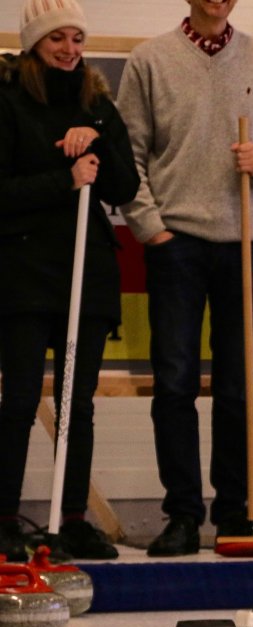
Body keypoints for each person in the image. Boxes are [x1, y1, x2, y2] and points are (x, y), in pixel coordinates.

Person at [117, 0, 253, 556]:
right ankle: (182, 514)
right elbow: (128, 154)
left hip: (245, 240)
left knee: (237, 383)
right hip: (175, 241)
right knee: (174, 380)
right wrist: (151, 228)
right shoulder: (149, 60)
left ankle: (235, 514)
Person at [0, 0, 139, 563]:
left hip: (86, 273)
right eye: (57, 37)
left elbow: (124, 187)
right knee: (18, 400)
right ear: (34, 42)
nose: (69, 49)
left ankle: (73, 518)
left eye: (77, 38)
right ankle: (5, 520)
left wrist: (97, 143)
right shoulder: (8, 100)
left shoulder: (98, 104)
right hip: (23, 274)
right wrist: (66, 178)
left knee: (77, 404)